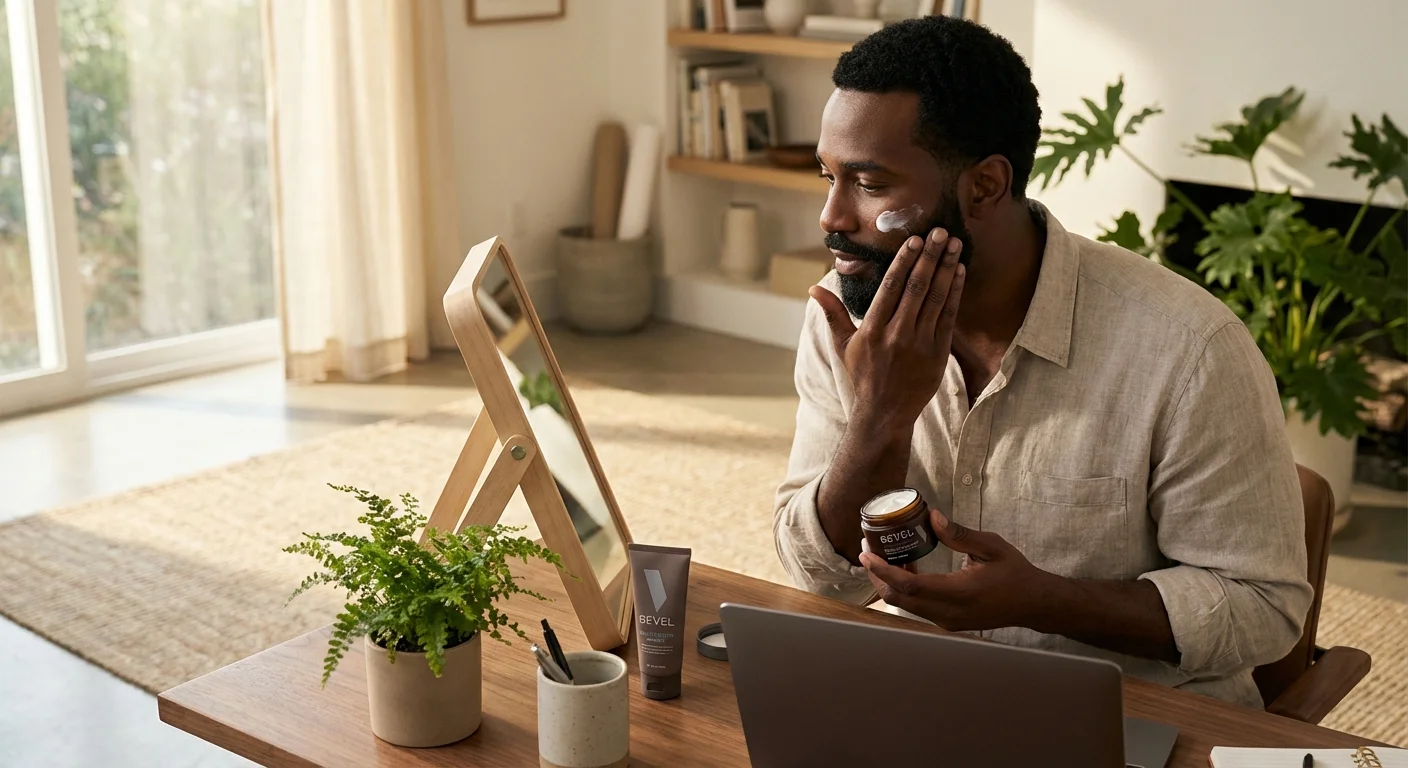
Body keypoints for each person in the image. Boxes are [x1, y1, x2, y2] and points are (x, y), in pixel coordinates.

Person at [772, 15, 1312, 709]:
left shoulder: (1189, 349)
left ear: (987, 186)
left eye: (869, 184)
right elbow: (820, 576)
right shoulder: (849, 321)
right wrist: (880, 414)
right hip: (924, 704)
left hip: (1130, 718)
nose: (830, 217)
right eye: (828, 176)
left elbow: (1264, 608)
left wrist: (1044, 601)